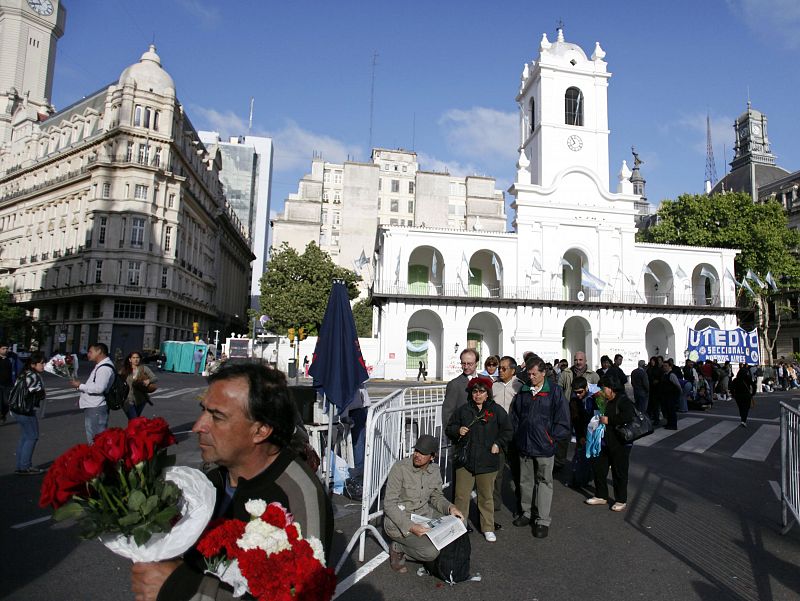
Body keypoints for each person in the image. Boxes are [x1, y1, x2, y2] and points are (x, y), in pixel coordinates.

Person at [131, 361, 333, 601]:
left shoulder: (299, 494)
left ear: (261, 431)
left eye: (217, 417)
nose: (198, 427)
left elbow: (302, 595)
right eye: (203, 410)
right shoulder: (211, 480)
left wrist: (181, 587)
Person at [383, 434, 465, 572]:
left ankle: (432, 546)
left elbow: (436, 497)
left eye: (423, 453)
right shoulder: (400, 468)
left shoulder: (434, 470)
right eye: (416, 451)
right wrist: (411, 527)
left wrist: (450, 507)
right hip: (400, 522)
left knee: (461, 522)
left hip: (423, 515)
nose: (417, 455)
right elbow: (389, 504)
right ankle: (398, 548)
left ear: (432, 456)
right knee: (430, 553)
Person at [510, 357, 570, 539]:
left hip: (544, 446)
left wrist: (551, 438)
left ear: (543, 373)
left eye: (534, 373)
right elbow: (516, 416)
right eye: (529, 374)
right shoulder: (524, 390)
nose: (531, 377)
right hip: (525, 444)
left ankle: (542, 519)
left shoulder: (554, 391)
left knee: (544, 482)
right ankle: (527, 512)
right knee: (525, 481)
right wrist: (517, 435)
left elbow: (563, 420)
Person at [446, 376, 511, 542]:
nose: (478, 394)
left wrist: (498, 443)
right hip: (465, 460)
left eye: (481, 391)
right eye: (475, 391)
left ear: (487, 393)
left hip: (487, 460)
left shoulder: (496, 411)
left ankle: (487, 527)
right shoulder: (463, 410)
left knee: (486, 496)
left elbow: (508, 430)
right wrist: (457, 430)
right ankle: (459, 526)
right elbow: (450, 427)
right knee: (461, 496)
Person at [584, 374, 635, 512]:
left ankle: (620, 499)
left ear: (612, 388)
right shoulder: (602, 400)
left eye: (604, 387)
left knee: (619, 472)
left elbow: (629, 416)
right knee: (599, 469)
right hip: (602, 442)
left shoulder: (622, 400)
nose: (601, 390)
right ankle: (601, 495)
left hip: (620, 442)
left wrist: (610, 420)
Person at [492, 356, 522, 513]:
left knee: (517, 471)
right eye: (499, 368)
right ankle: (494, 505)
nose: (500, 371)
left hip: (515, 435)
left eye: (504, 368)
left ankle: (520, 505)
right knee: (496, 471)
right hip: (498, 435)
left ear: (513, 370)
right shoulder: (493, 386)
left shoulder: (520, 386)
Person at [69, 343, 115, 444]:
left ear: (99, 351)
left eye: (90, 352)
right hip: (93, 405)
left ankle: (98, 459)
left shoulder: (104, 368)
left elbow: (99, 388)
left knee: (96, 440)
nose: (88, 354)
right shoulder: (100, 366)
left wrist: (80, 385)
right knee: (95, 438)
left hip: (96, 407)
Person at [11, 351, 46, 475]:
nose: (43, 365)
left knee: (25, 436)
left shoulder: (24, 374)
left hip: (17, 409)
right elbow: (38, 394)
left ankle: (21, 465)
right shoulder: (33, 376)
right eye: (41, 363)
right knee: (32, 436)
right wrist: (42, 392)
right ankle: (25, 466)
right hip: (26, 410)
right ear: (33, 364)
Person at [442, 348, 479, 428]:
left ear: (476, 363)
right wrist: (454, 432)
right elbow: (447, 413)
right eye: (463, 363)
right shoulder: (454, 384)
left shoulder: (484, 380)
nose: (466, 367)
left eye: (469, 364)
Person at [120, 351, 158, 420]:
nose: (136, 359)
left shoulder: (144, 368)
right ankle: (133, 430)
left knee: (135, 420)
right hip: (128, 400)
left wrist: (148, 380)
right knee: (134, 419)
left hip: (141, 399)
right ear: (130, 359)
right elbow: (118, 380)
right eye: (133, 358)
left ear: (140, 359)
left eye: (137, 357)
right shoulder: (124, 370)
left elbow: (155, 378)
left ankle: (132, 430)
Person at [0, 342, 20, 423]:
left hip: (9, 384)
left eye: (6, 348)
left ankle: (3, 414)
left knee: (6, 402)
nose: (5, 350)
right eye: (3, 349)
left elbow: (19, 367)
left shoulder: (12, 357)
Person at [731, 362, 754, 428]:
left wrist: (733, 395)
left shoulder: (736, 380)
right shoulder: (748, 379)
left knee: (741, 407)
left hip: (738, 396)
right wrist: (752, 393)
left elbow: (731, 388)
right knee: (746, 408)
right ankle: (743, 420)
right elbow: (754, 386)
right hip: (746, 395)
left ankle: (742, 418)